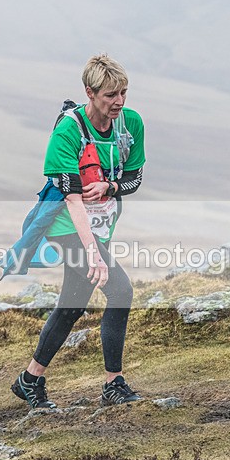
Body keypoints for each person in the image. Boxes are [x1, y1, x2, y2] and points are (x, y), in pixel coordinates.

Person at [11, 54, 146, 409]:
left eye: (123, 93)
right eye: (110, 95)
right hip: (64, 225)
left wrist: (110, 187)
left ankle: (29, 379)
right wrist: (92, 252)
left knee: (72, 304)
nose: (119, 101)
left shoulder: (131, 124)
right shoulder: (68, 131)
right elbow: (72, 201)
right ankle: (113, 384)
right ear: (90, 92)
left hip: (97, 226)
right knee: (120, 290)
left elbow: (134, 179)